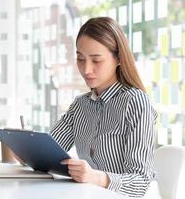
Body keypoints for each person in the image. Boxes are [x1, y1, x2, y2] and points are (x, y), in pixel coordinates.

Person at [51, 17, 158, 198]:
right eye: (80, 59)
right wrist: (26, 149)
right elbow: (51, 151)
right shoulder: (80, 105)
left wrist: (96, 177)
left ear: (118, 58)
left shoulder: (136, 102)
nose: (86, 69)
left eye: (96, 60)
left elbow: (140, 182)